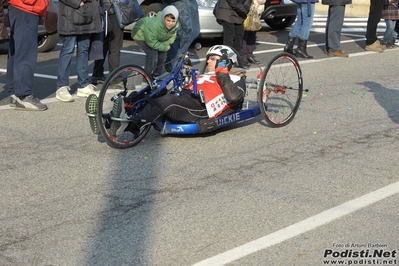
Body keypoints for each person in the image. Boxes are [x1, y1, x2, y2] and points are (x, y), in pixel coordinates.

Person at [86, 45, 247, 137]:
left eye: (214, 59)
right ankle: (107, 119)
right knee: (153, 92)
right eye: (209, 58)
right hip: (184, 97)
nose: (209, 61)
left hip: (200, 108)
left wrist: (221, 72)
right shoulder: (203, 75)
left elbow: (233, 97)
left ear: (226, 62)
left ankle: (129, 122)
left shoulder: (235, 80)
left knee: (167, 102)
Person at [55, 0, 103, 102]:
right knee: (68, 50)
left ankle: (83, 85)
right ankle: (61, 87)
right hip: (70, 14)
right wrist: (78, 2)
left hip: (87, 15)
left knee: (83, 50)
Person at [6, 0, 49, 110]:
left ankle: (15, 93)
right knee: (26, 53)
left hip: (20, 7)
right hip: (27, 7)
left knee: (17, 52)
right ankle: (23, 95)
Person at [131, 6, 179, 77]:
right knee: (152, 54)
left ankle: (157, 74)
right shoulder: (154, 25)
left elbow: (171, 38)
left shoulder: (175, 27)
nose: (170, 23)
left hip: (155, 38)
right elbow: (151, 42)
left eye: (173, 21)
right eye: (168, 20)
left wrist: (163, 46)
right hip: (141, 35)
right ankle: (147, 77)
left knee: (163, 53)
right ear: (163, 18)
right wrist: (164, 47)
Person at [91, 0, 124, 85]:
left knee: (102, 43)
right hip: (113, 9)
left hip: (102, 10)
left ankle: (97, 74)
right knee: (115, 45)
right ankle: (115, 78)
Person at [163, 0, 200, 72]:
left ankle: (174, 60)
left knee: (188, 31)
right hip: (180, 2)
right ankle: (174, 62)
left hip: (184, 2)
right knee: (183, 33)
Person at [240, 0, 266, 66]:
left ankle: (249, 55)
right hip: (248, 9)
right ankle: (243, 56)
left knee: (252, 33)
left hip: (256, 10)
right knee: (245, 34)